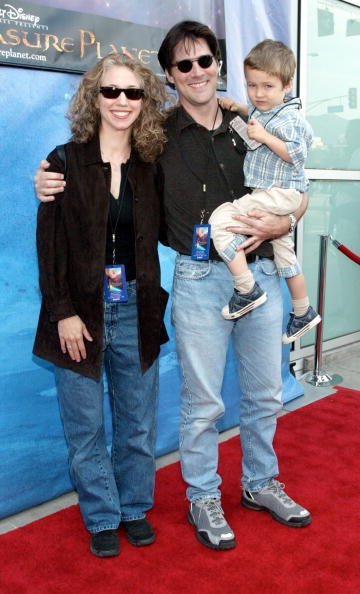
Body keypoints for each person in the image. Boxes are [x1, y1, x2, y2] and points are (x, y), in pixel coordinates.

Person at [34, 21, 312, 553]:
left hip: (262, 273)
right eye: (184, 65)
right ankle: (202, 495)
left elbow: (297, 181)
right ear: (169, 75)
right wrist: (47, 178)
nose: (197, 72)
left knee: (265, 394)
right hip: (200, 278)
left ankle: (260, 484)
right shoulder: (155, 139)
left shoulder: (249, 123)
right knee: (202, 402)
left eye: (205, 61)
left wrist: (287, 219)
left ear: (218, 66)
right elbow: (85, 190)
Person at [33, 53, 169, 558]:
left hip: (136, 306)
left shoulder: (152, 167)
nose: (121, 102)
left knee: (137, 422)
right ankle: (102, 515)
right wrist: (63, 311)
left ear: (144, 101)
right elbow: (49, 248)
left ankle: (134, 507)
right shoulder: (64, 161)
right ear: (95, 97)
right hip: (79, 313)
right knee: (85, 426)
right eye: (111, 91)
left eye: (132, 93)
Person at [209, 39, 321, 343]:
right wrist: (241, 109)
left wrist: (264, 137)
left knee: (220, 221)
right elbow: (262, 114)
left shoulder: (291, 118)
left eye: (267, 86)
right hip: (280, 195)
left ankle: (245, 289)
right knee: (285, 254)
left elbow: (297, 154)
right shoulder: (271, 112)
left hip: (279, 192)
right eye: (251, 85)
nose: (258, 93)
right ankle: (303, 310)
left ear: (287, 85)